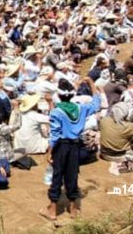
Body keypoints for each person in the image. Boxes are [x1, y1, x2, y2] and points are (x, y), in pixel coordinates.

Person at [41, 78, 102, 221]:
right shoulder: (81, 108)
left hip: (61, 147)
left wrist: (50, 151)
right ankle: (74, 209)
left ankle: (53, 210)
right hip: (75, 145)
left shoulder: (56, 111)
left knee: (57, 176)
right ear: (72, 95)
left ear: (60, 95)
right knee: (72, 174)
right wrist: (91, 83)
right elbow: (96, 104)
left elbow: (54, 135)